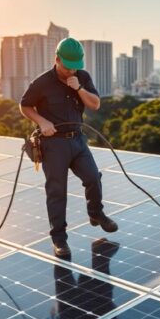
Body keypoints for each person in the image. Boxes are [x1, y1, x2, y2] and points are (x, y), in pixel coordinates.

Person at [19, 38, 118, 257]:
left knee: (93, 177)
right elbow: (24, 105)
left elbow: (95, 104)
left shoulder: (82, 77)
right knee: (57, 191)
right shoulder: (42, 82)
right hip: (53, 145)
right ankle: (59, 239)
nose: (71, 70)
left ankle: (96, 214)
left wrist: (79, 88)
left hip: (77, 140)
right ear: (56, 60)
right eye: (67, 66)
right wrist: (42, 122)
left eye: (75, 65)